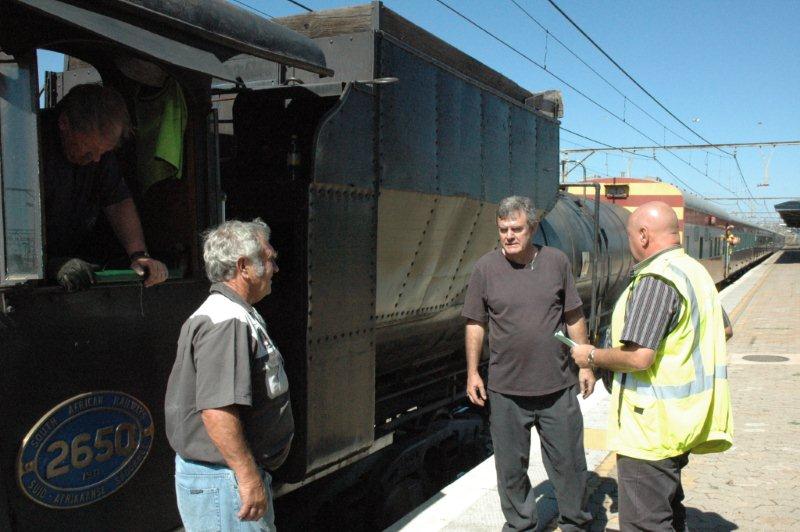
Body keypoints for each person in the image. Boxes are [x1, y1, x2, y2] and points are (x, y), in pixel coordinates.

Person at [571, 201, 733, 531]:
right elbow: (724, 328)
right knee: (669, 510)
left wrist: (590, 356)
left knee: (645, 523)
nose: (629, 244)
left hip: (651, 427)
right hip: (684, 418)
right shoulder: (694, 271)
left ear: (644, 235)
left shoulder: (656, 279)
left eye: (631, 236)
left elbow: (638, 357)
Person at [462, 195, 595, 531]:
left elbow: (573, 314)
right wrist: (472, 372)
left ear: (532, 228)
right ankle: (521, 525)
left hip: (557, 387)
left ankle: (576, 524)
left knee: (570, 465)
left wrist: (586, 363)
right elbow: (475, 323)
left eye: (516, 229)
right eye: (503, 229)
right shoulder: (485, 269)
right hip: (506, 391)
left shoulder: (556, 262)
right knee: (510, 470)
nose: (509, 235)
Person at [165, 219, 293, 530]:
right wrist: (247, 477)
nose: (275, 268)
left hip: (225, 478)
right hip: (225, 481)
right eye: (269, 259)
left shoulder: (235, 314)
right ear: (244, 266)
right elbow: (217, 410)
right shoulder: (227, 321)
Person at [42, 83, 167, 290]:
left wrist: (139, 255)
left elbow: (117, 201)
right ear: (64, 123)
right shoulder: (27, 144)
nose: (97, 159)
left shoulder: (100, 159)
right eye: (90, 151)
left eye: (104, 152)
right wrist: (49, 265)